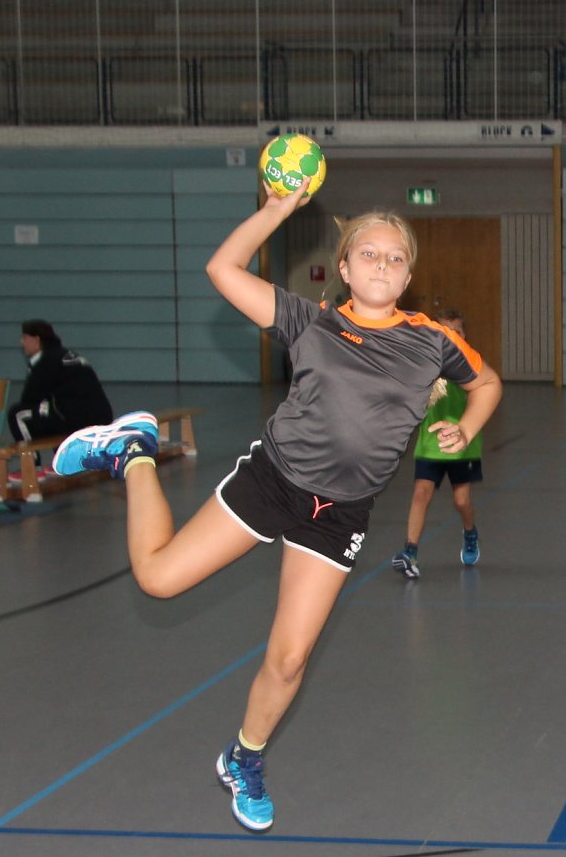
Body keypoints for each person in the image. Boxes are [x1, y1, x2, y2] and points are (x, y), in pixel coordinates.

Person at [51, 180, 502, 832]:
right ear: (343, 268)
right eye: (367, 254)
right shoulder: (309, 320)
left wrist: (469, 422)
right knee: (156, 579)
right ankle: (132, 454)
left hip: (342, 513)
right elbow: (221, 270)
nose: (380, 264)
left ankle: (244, 757)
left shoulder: (431, 341)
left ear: (407, 274)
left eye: (394, 257)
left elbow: (484, 381)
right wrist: (274, 210)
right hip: (274, 481)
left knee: (289, 658)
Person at [391, 309, 484, 580]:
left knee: (461, 499)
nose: (451, 336)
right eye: (445, 331)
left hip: (461, 446)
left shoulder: (470, 366)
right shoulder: (425, 367)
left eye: (457, 331)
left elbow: (483, 396)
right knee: (421, 493)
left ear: (465, 336)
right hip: (430, 445)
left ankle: (470, 532)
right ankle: (410, 552)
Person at [7, 319, 113, 481]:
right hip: (102, 417)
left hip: (78, 420)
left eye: (25, 338)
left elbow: (28, 398)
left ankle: (31, 468)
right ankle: (65, 463)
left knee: (18, 413)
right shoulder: (67, 354)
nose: (21, 342)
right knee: (53, 408)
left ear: (37, 340)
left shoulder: (45, 361)